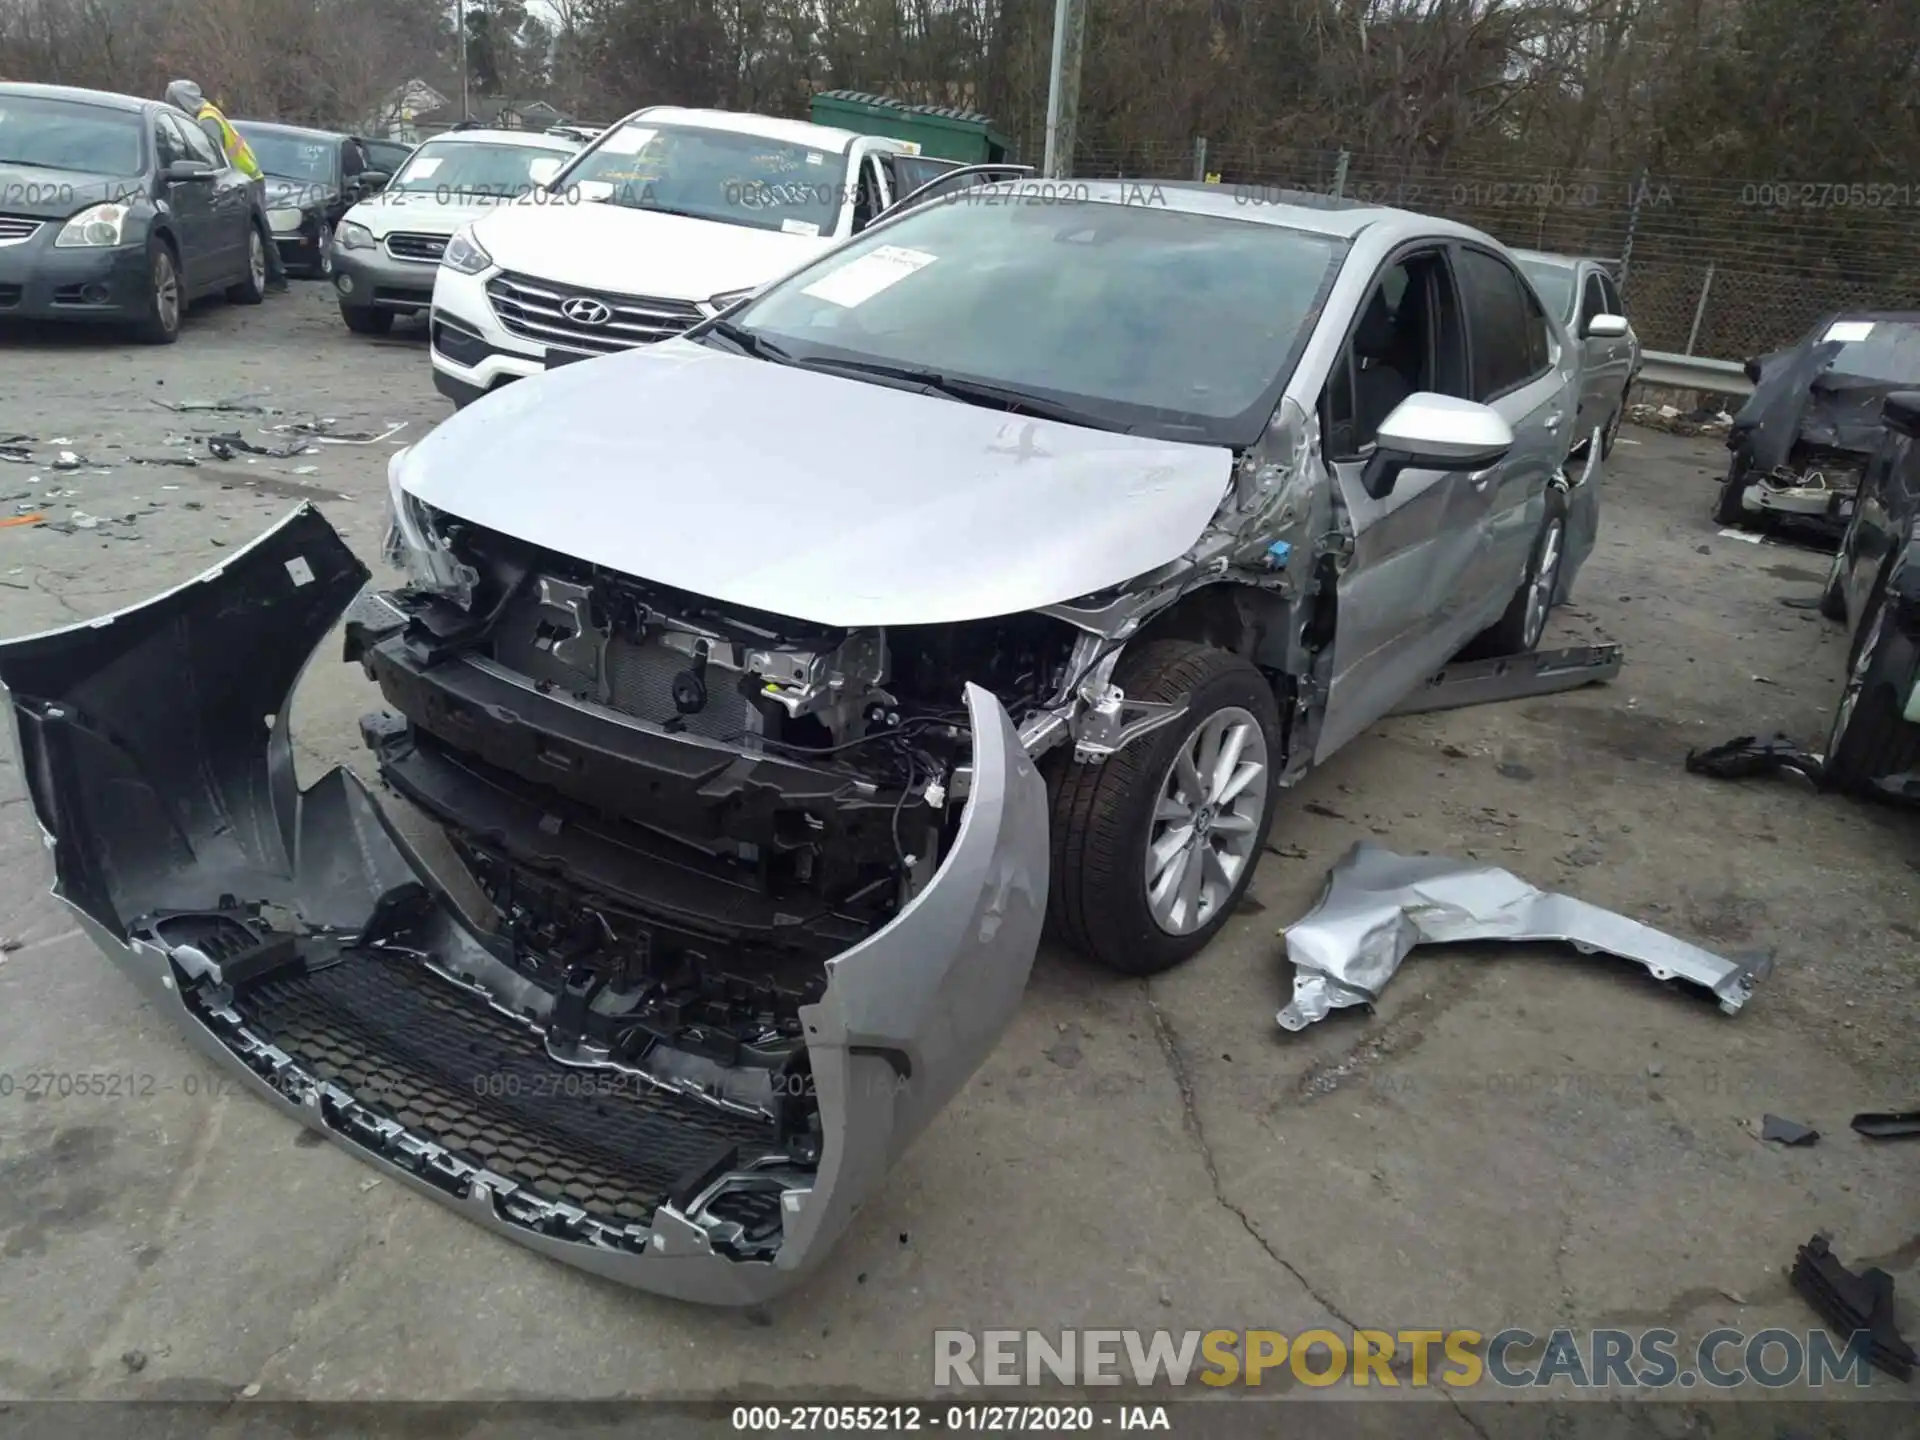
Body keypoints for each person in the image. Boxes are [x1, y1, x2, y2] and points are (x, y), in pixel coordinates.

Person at [162, 79, 289, 292]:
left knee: (258, 230)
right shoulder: (209, 112)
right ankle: (273, 275)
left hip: (243, 177)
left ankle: (276, 276)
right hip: (247, 175)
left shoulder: (206, 120)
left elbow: (209, 154)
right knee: (257, 229)